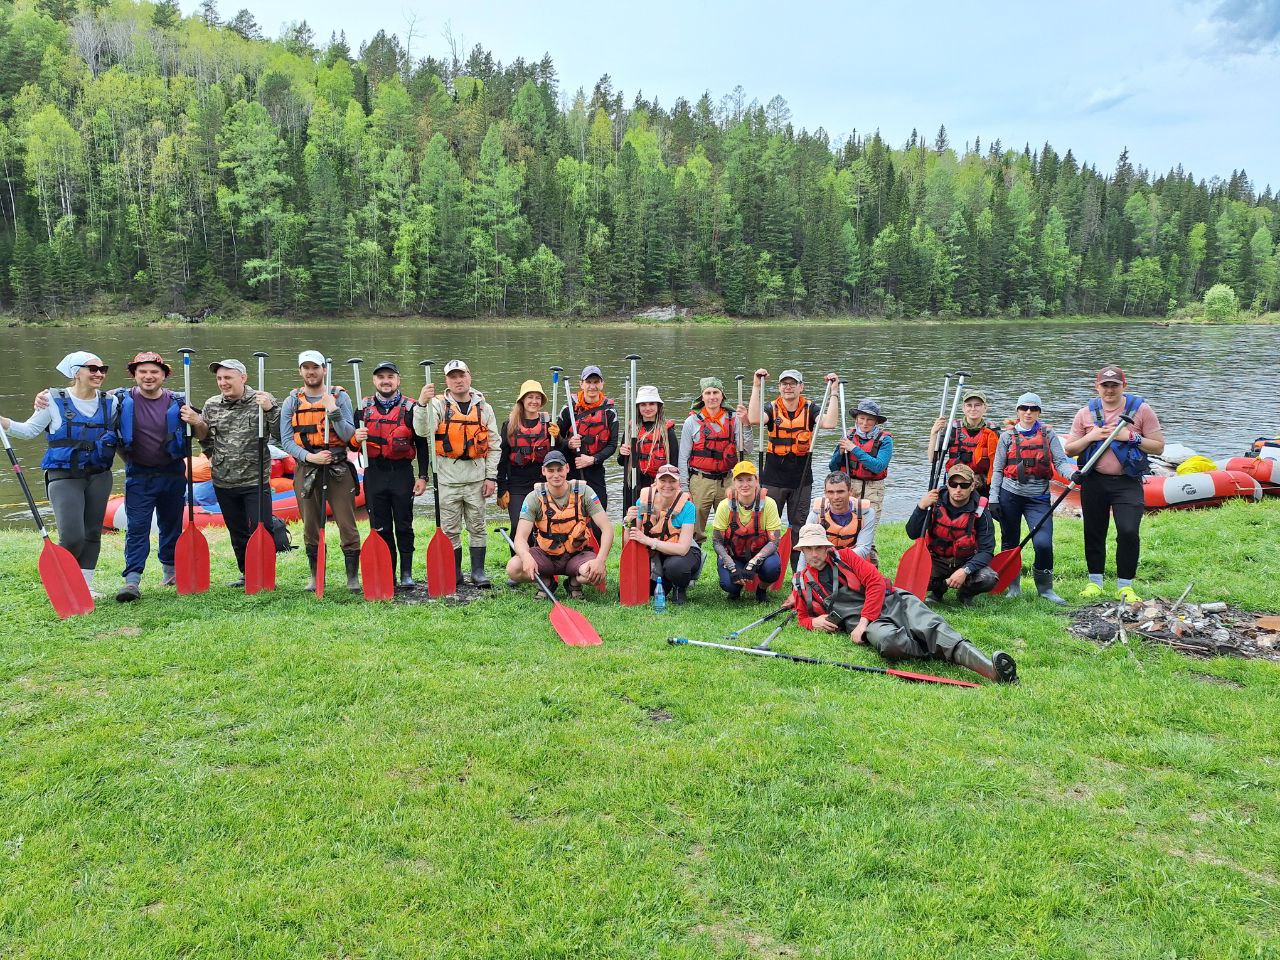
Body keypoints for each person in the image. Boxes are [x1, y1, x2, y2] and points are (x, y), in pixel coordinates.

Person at [790, 524, 1016, 683]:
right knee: (889, 642)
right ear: (801, 551)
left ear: (827, 547)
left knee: (931, 626)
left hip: (893, 600)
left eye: (818, 547)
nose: (814, 553)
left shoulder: (847, 556)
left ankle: (991, 669)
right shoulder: (801, 582)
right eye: (808, 549)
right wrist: (813, 622)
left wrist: (862, 623)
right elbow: (802, 617)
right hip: (871, 623)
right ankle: (940, 651)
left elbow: (876, 582)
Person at [1, 351, 119, 596]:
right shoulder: (52, 400)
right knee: (73, 535)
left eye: (103, 369)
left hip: (99, 474)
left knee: (92, 533)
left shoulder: (112, 402)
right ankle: (63, 582)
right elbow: (28, 430)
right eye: (93, 369)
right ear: (76, 372)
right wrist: (4, 423)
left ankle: (85, 586)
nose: (99, 374)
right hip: (64, 476)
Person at [1063, 365, 1165, 603]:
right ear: (1097, 387)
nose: (1109, 390)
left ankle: (1125, 586)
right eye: (1105, 385)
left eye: (1114, 385)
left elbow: (1159, 446)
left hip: (1127, 482)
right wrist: (1092, 436)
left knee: (1129, 531)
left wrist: (1130, 437)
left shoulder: (1141, 410)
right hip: (1094, 481)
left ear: (1123, 386)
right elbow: (1070, 448)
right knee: (1094, 532)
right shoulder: (1084, 413)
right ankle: (1095, 583)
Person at [181, 359, 280, 586]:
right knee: (237, 531)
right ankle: (246, 573)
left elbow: (280, 433)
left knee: (261, 527)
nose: (223, 383)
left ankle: (265, 574)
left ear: (243, 378)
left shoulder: (261, 400)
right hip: (224, 479)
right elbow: (205, 437)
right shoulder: (212, 404)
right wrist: (211, 453)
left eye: (228, 377)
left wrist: (270, 409)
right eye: (219, 379)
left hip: (255, 478)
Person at [414, 359, 501, 587]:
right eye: (452, 376)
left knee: (478, 525)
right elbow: (423, 431)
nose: (458, 380)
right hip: (447, 480)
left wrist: (491, 476)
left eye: (461, 375)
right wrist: (422, 404)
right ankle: (455, 573)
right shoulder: (437, 405)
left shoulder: (484, 407)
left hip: (476, 479)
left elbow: (494, 445)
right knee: (450, 528)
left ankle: (478, 572)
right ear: (447, 381)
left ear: (469, 376)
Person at [279, 350, 359, 592]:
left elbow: (348, 435)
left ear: (324, 369)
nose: (311, 372)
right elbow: (285, 440)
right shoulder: (292, 400)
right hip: (308, 468)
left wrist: (333, 410)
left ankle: (352, 577)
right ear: (300, 371)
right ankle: (315, 576)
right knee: (310, 524)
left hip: (337, 468)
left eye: (315, 367)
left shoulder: (339, 397)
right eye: (306, 368)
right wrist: (310, 456)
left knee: (347, 524)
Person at [989, 391, 1077, 604]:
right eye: (1024, 408)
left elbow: (1061, 462)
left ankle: (1045, 589)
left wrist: (1073, 474)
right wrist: (993, 498)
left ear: (1039, 412)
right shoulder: (1007, 436)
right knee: (1010, 542)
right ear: (1018, 411)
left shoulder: (1048, 434)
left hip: (1038, 498)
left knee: (1043, 543)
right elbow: (998, 469)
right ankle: (1014, 587)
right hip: (1010, 495)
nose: (1028, 412)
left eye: (1033, 409)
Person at [112, 352, 187, 601]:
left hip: (173, 473)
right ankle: (132, 581)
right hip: (139, 475)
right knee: (137, 528)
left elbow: (203, 432)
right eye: (142, 371)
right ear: (134, 374)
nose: (148, 376)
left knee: (171, 526)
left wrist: (197, 421)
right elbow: (84, 396)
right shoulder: (117, 400)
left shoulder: (180, 400)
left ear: (164, 375)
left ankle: (171, 572)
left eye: (154, 371)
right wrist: (45, 396)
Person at [748, 368, 840, 569]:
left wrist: (833, 391)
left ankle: (799, 572)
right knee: (767, 527)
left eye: (792, 383)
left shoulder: (811, 409)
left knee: (800, 528)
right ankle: (763, 569)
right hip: (772, 479)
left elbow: (830, 423)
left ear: (801, 387)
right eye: (784, 384)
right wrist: (756, 385)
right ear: (779, 387)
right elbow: (754, 419)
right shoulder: (771, 408)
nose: (788, 387)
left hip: (801, 479)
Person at [352, 361, 428, 588]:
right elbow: (352, 445)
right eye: (381, 377)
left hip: (402, 474)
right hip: (374, 473)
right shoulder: (363, 408)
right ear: (374, 381)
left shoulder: (411, 408)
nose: (386, 381)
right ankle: (388, 572)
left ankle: (406, 573)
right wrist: (357, 436)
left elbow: (423, 445)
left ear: (398, 380)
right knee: (380, 527)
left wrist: (423, 476)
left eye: (390, 377)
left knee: (404, 525)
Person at [506, 450, 613, 599]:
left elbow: (607, 528)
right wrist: (525, 556)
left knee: (597, 575)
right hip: (546, 555)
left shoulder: (585, 492)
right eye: (550, 470)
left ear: (567, 468)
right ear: (543, 471)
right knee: (514, 568)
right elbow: (520, 537)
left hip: (577, 554)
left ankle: (574, 583)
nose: (556, 475)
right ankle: (546, 581)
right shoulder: (533, 497)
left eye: (560, 469)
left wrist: (600, 561)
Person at [904, 462, 998, 605]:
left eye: (964, 485)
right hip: (936, 560)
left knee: (989, 578)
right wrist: (921, 507)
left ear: (972, 486)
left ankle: (965, 593)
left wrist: (965, 570)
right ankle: (937, 592)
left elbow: (987, 550)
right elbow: (912, 533)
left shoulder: (981, 509)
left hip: (965, 561)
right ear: (947, 484)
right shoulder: (934, 502)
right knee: (912, 575)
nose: (958, 489)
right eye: (953, 484)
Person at [679, 377, 748, 547]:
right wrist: (684, 488)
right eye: (708, 393)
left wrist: (746, 424)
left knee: (732, 527)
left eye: (716, 392)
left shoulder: (735, 419)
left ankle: (730, 567)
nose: (712, 397)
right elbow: (682, 457)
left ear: (722, 396)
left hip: (728, 480)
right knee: (694, 530)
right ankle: (692, 565)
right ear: (702, 397)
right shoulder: (691, 422)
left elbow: (748, 448)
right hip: (700, 481)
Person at [829, 398, 893, 565]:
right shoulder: (848, 435)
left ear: (876, 421)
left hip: (873, 488)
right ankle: (845, 571)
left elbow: (879, 466)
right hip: (850, 487)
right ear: (856, 419)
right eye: (862, 419)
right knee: (849, 531)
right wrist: (840, 453)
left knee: (867, 535)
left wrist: (854, 449)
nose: (865, 423)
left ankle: (872, 573)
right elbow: (833, 467)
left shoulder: (885, 440)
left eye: (870, 419)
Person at [625, 463, 699, 603]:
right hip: (655, 554)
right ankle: (664, 581)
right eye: (663, 480)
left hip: (681, 553)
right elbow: (629, 542)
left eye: (672, 481)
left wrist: (649, 541)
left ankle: (680, 586)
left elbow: (683, 549)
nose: (667, 485)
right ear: (655, 482)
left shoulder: (688, 507)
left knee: (675, 567)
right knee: (651, 590)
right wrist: (628, 522)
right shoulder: (643, 502)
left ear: (679, 484)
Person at [711, 460, 783, 602]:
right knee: (728, 584)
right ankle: (735, 590)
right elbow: (716, 542)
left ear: (756, 481)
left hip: (761, 556)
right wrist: (732, 567)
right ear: (734, 482)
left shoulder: (769, 504)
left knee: (772, 568)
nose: (745, 485)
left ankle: (761, 589)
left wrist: (753, 563)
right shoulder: (724, 505)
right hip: (734, 555)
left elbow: (774, 541)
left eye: (749, 479)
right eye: (740, 480)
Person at [498, 379, 559, 540]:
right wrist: (501, 488)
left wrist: (558, 438)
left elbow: (560, 454)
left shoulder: (550, 423)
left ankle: (540, 559)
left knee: (543, 525)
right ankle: (518, 560)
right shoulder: (509, 424)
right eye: (530, 397)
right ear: (522, 400)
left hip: (542, 482)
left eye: (537, 397)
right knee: (519, 524)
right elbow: (502, 459)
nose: (534, 401)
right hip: (517, 483)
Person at [556, 365, 618, 509]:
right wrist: (569, 443)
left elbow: (612, 445)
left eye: (596, 382)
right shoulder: (569, 409)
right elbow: (557, 441)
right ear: (581, 384)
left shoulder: (610, 411)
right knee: (572, 512)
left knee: (599, 509)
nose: (592, 386)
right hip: (571, 466)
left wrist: (592, 460)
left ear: (602, 384)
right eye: (588, 382)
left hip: (595, 466)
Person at [618, 385, 678, 511]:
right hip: (633, 482)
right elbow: (621, 462)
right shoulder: (631, 429)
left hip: (659, 483)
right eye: (643, 405)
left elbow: (674, 462)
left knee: (655, 518)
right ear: (638, 407)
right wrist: (622, 453)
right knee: (632, 518)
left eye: (652, 404)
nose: (648, 408)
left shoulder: (667, 431)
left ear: (658, 406)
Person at [929, 388, 999, 494]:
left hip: (982, 484)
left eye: (978, 405)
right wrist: (934, 433)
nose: (973, 409)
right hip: (956, 484)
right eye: (969, 405)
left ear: (985, 408)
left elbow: (1000, 463)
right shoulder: (952, 429)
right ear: (963, 408)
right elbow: (933, 458)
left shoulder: (993, 431)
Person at [801, 469, 877, 566]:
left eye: (840, 492)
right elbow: (805, 548)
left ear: (850, 491)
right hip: (824, 561)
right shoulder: (816, 514)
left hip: (854, 560)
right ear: (825, 493)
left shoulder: (866, 513)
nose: (836, 497)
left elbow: (864, 549)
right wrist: (799, 576)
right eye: (831, 492)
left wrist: (833, 557)